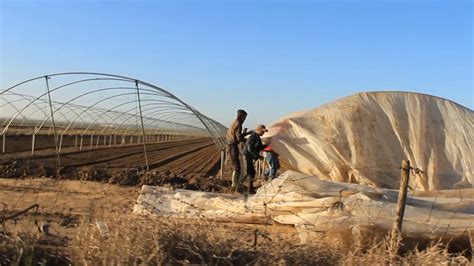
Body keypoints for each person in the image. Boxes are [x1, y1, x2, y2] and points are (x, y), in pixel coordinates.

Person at [240, 124, 268, 194]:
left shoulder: (257, 137)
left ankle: (250, 189)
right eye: (262, 131)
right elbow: (250, 148)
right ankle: (237, 187)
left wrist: (266, 145)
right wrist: (257, 156)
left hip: (250, 157)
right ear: (258, 130)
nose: (263, 133)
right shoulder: (253, 136)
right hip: (247, 156)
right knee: (246, 172)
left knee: (252, 173)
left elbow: (258, 147)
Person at [226, 109, 248, 192]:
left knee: (237, 166)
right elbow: (238, 138)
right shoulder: (239, 124)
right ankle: (234, 186)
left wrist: (246, 133)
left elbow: (237, 135)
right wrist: (247, 140)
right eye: (244, 117)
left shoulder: (235, 122)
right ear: (241, 116)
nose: (244, 119)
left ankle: (235, 185)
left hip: (231, 145)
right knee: (237, 167)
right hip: (232, 146)